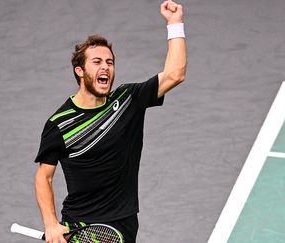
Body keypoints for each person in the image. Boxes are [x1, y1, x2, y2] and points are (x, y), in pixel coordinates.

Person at [34, 1, 186, 242]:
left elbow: (175, 74)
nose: (105, 66)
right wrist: (51, 224)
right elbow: (44, 176)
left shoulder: (128, 100)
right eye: (97, 62)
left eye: (110, 62)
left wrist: (175, 24)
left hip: (124, 223)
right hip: (81, 224)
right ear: (80, 71)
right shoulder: (59, 123)